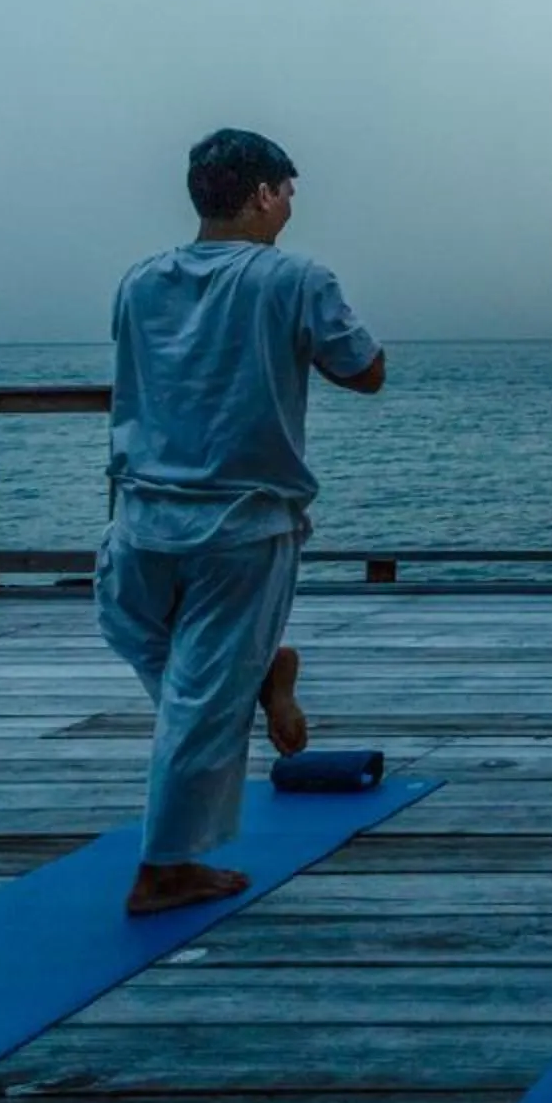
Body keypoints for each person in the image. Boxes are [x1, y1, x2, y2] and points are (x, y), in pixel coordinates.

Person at [96, 129, 385, 917]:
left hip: (143, 515)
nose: (291, 206)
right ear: (261, 193)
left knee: (156, 653)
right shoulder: (294, 279)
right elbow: (366, 372)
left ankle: (246, 683)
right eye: (288, 191)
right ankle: (166, 870)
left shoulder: (138, 281)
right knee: (197, 693)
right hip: (241, 524)